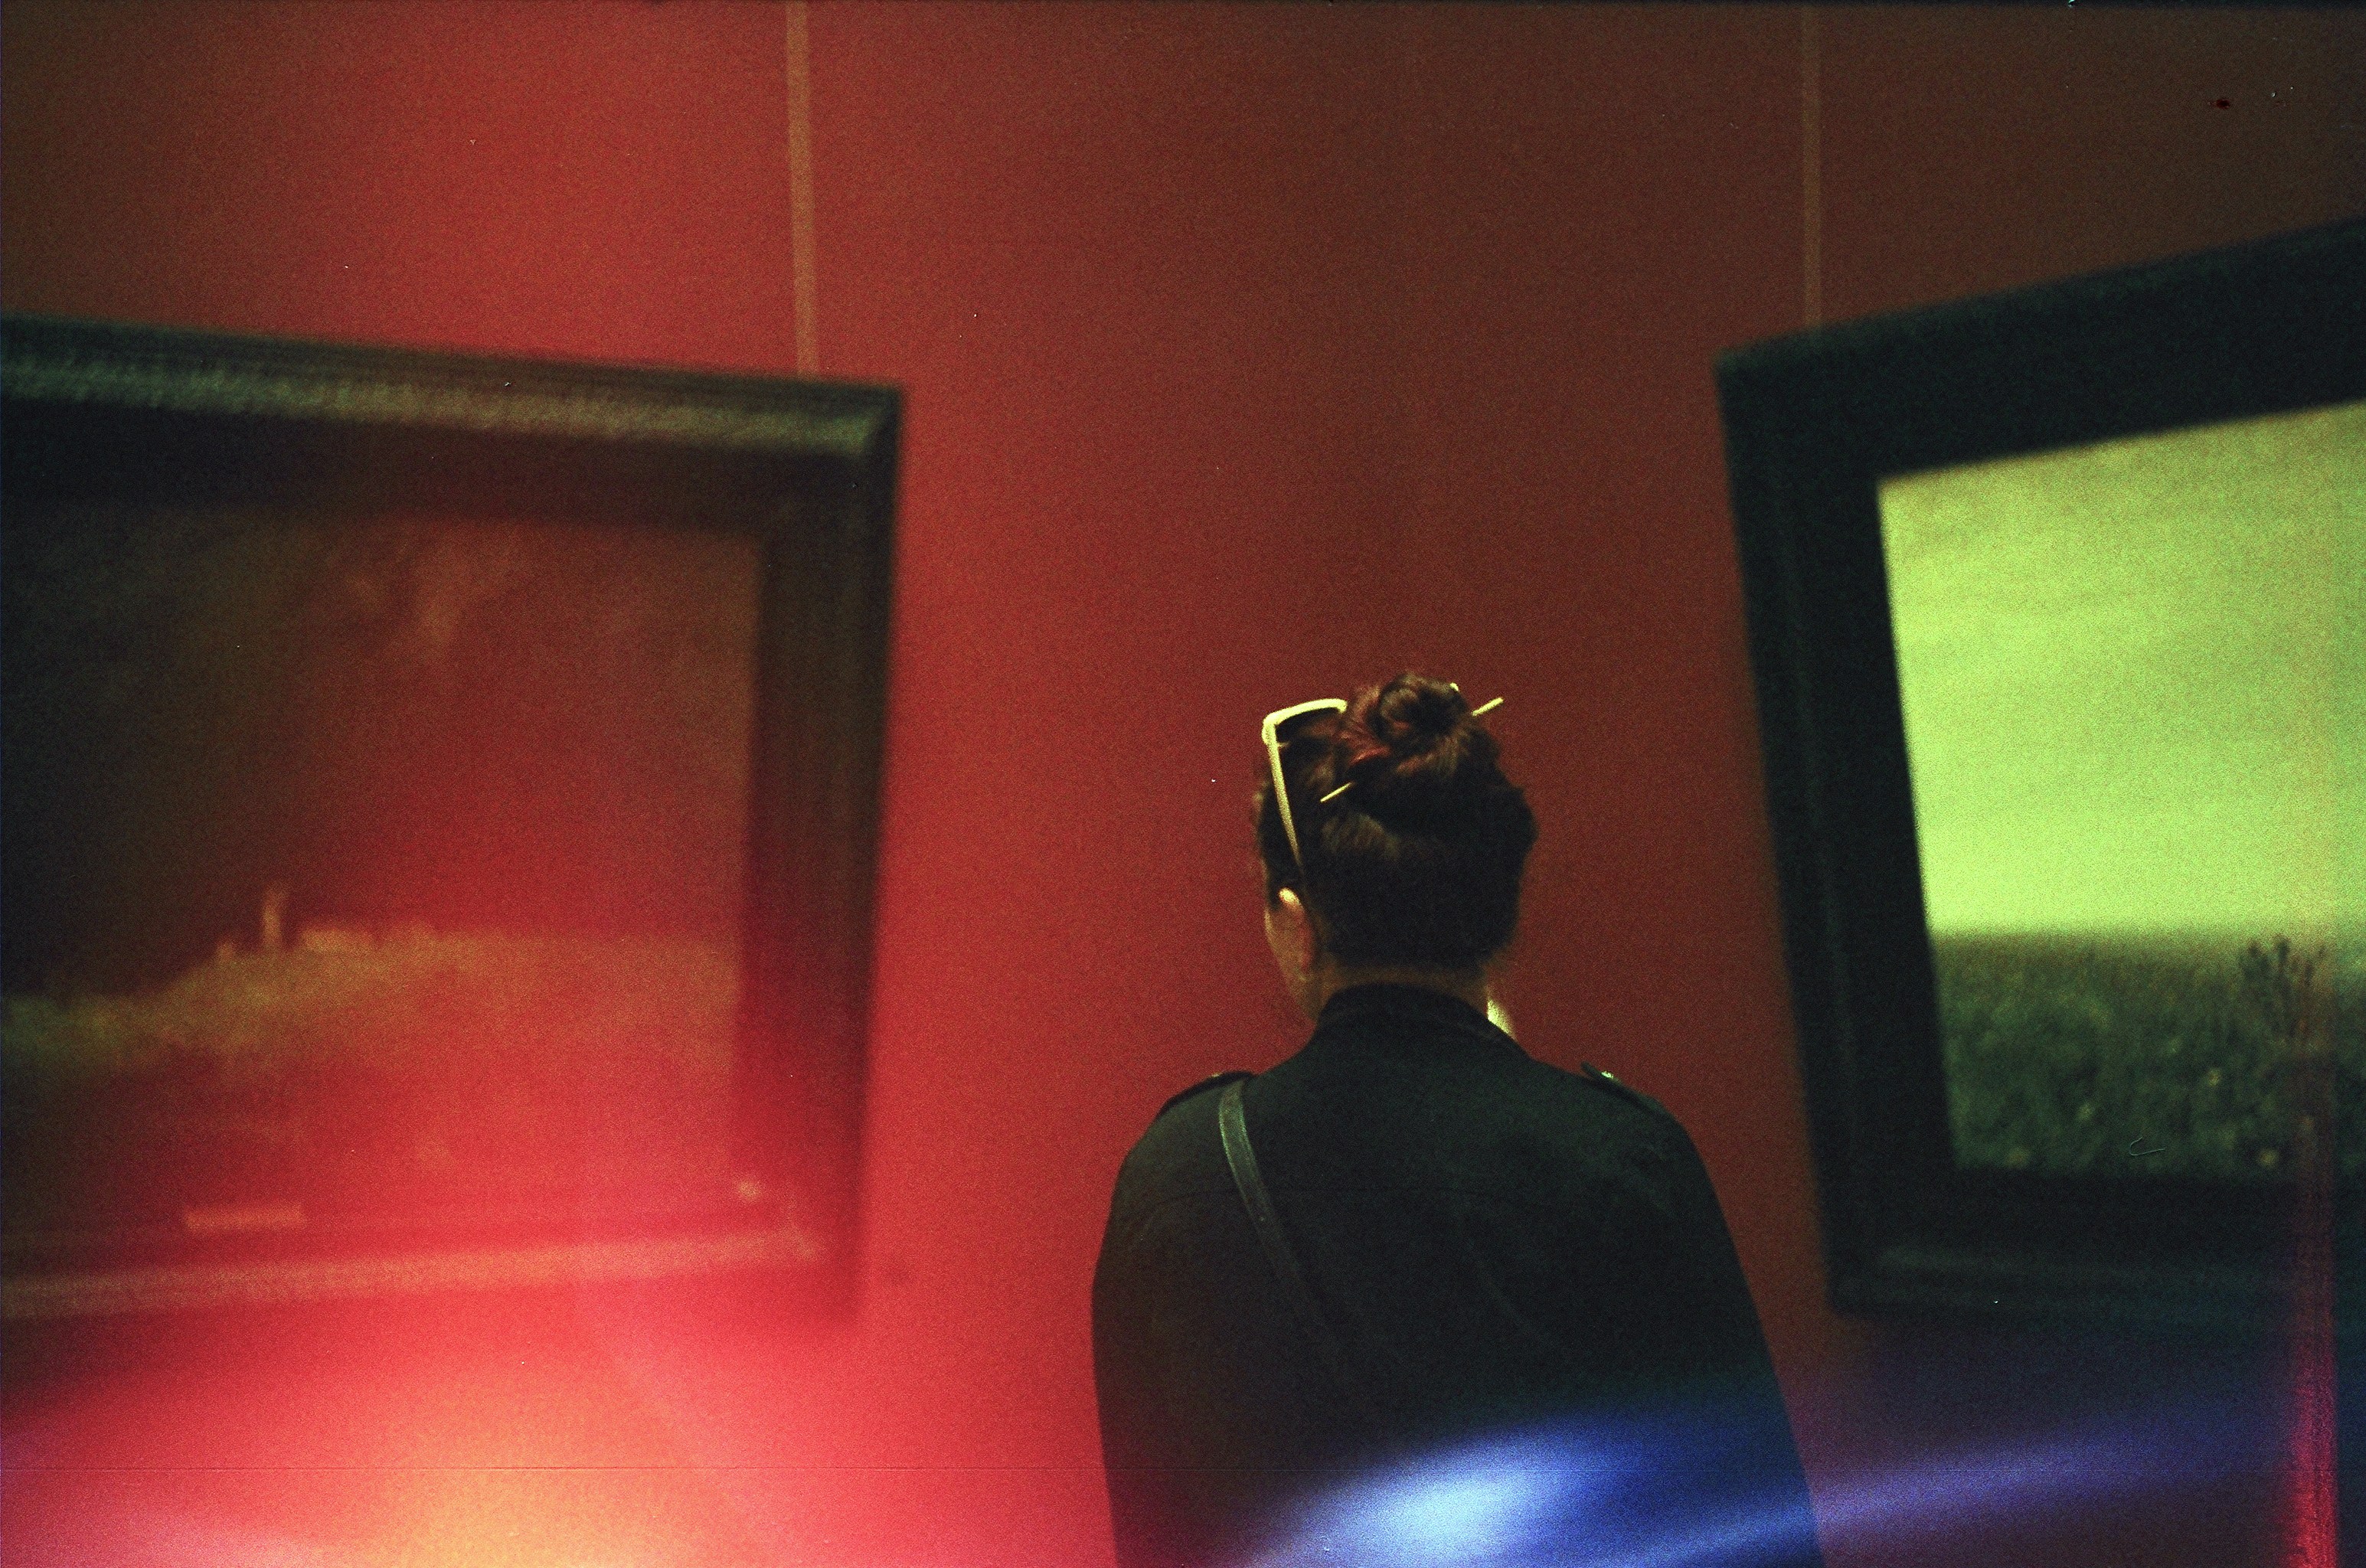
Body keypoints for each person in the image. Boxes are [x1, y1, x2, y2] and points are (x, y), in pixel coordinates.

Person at [1092, 673, 1826, 1568]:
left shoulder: (1176, 1172)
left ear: (1297, 924)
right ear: (1501, 919)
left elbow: (1153, 1539)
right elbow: (1756, 1536)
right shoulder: (1625, 1158)